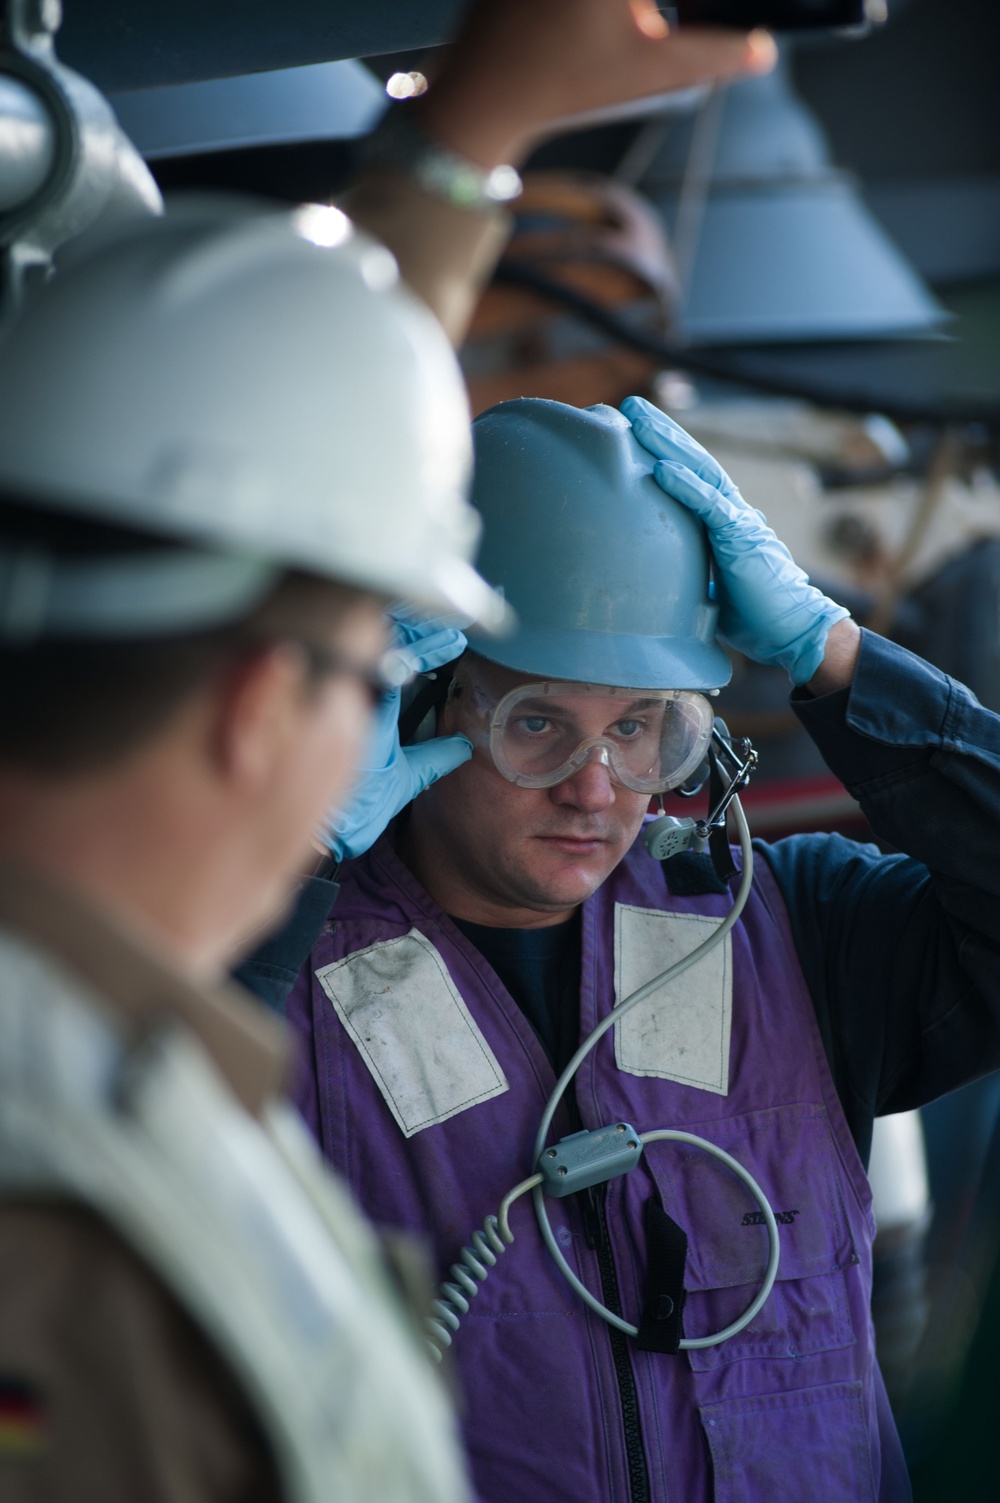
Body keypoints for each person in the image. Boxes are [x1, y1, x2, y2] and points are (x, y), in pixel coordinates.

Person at [0, 6, 775, 1498]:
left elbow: (280, 482)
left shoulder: (108, 1075)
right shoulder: (69, 1230)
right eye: (382, 661)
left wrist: (467, 135)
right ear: (252, 710)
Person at [286, 397, 1000, 1503]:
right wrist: (284, 860)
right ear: (428, 702)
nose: (593, 786)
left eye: (639, 729)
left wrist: (839, 660)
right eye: (537, 722)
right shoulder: (277, 982)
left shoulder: (789, 929)